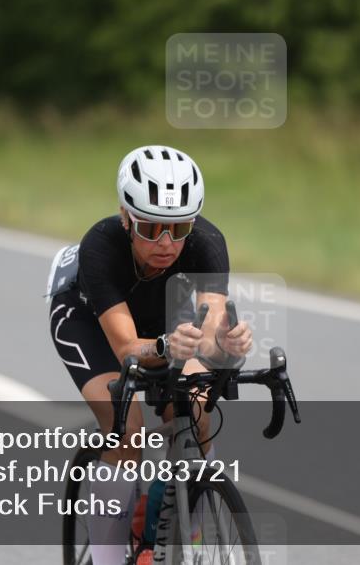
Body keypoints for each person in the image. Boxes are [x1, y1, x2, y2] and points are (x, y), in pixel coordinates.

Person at [47, 145, 253, 565]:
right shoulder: (100, 246)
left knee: (196, 405)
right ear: (126, 217)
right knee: (128, 427)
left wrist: (224, 344)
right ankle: (106, 558)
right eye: (150, 227)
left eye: (178, 230)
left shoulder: (208, 243)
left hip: (162, 314)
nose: (165, 242)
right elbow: (126, 349)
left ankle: (188, 515)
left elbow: (210, 329)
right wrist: (163, 346)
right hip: (90, 318)